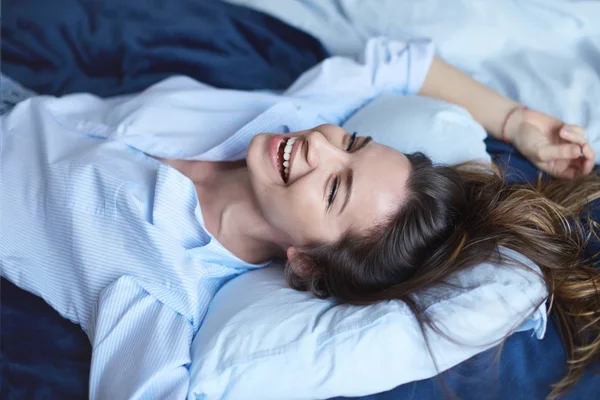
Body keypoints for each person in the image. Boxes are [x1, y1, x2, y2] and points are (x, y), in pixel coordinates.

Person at [1, 37, 598, 399]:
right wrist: (516, 120)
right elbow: (401, 66)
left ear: (306, 260)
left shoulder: (163, 287)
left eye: (336, 188)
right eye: (354, 142)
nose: (320, 147)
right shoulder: (300, 116)